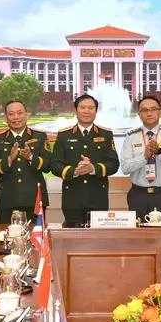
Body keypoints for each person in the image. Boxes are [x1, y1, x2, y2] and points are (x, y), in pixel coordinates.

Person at [50, 94, 119, 227]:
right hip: (72, 198)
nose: (87, 111)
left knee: (98, 243)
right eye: (83, 107)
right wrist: (74, 171)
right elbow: (55, 164)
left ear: (96, 111)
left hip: (98, 198)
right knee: (71, 241)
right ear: (76, 110)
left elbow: (114, 163)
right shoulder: (64, 135)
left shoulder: (105, 134)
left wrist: (93, 169)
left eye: (91, 108)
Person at [120, 95, 161, 220]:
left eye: (153, 109)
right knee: (137, 237)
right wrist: (144, 157)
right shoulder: (131, 136)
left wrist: (159, 152)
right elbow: (125, 168)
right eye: (144, 110)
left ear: (160, 112)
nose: (149, 113)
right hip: (138, 195)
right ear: (139, 114)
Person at [0, 100, 51, 223]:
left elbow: (48, 165)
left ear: (26, 114)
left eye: (20, 113)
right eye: (11, 114)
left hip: (34, 199)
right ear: (6, 117)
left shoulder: (40, 137)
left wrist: (31, 157)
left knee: (35, 239)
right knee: (9, 238)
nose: (16, 117)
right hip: (8, 199)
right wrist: (9, 159)